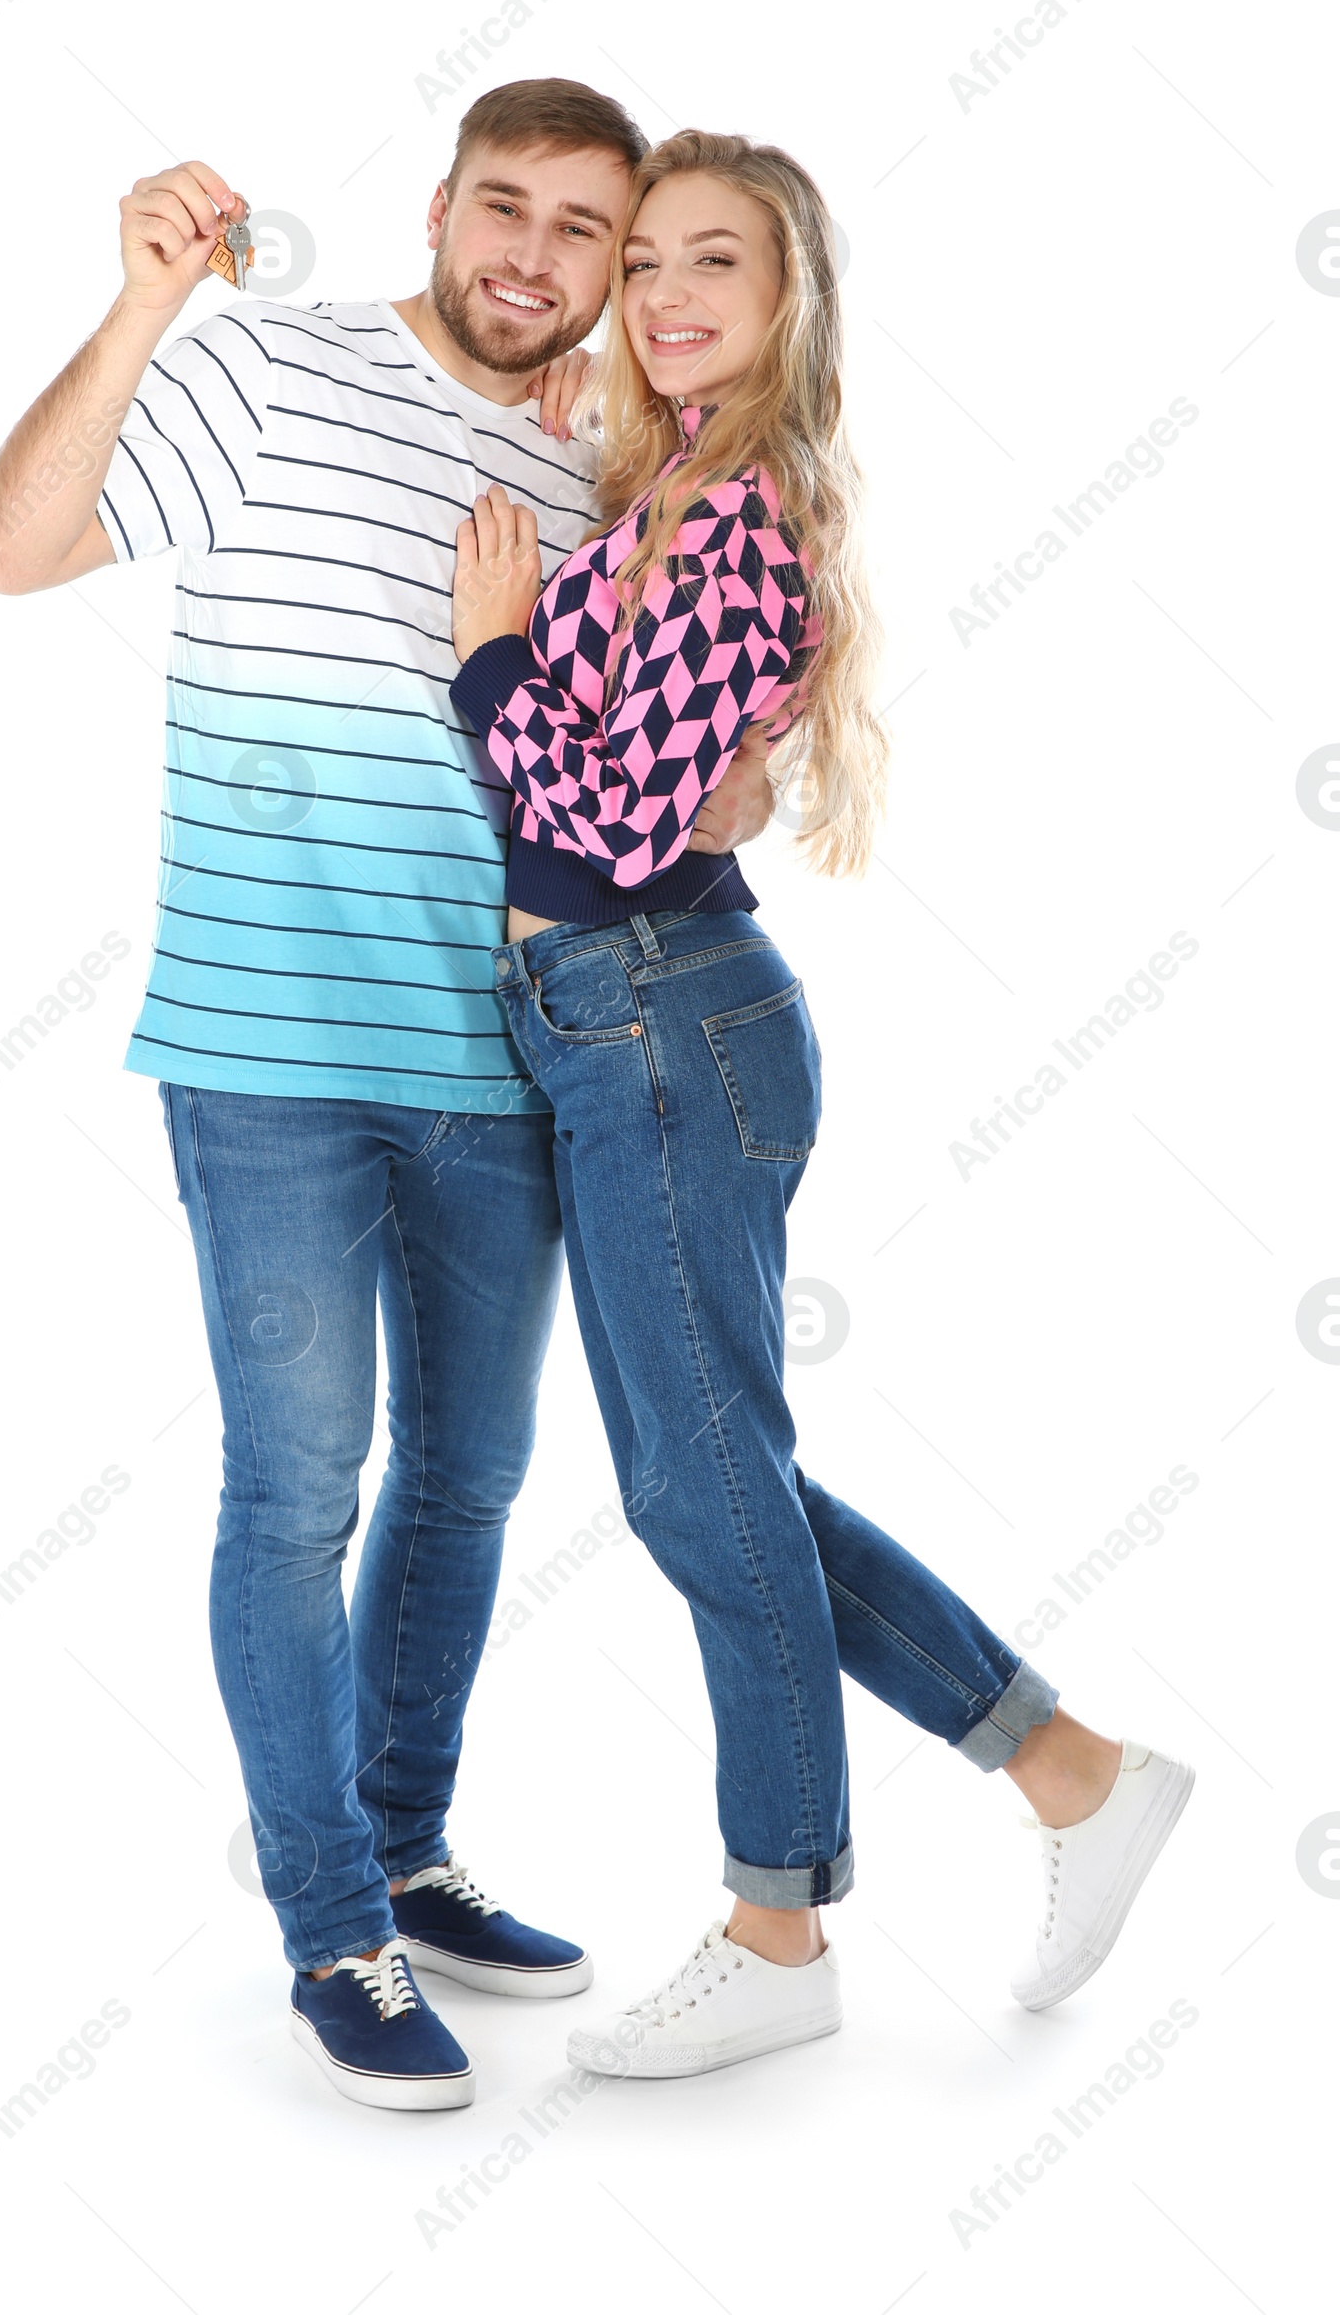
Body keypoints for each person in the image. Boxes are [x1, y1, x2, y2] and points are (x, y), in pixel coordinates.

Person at [0, 78, 783, 2113]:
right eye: (501, 206)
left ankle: (402, 1849)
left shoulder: (608, 479)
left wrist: (741, 758)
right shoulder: (268, 370)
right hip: (263, 1050)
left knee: (471, 1480)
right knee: (292, 1485)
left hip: (511, 1055)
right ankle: (327, 1921)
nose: (530, 251)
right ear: (439, 208)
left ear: (612, 271)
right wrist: (142, 301)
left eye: (581, 228)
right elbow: (3, 551)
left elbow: (644, 786)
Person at [445, 126, 1195, 2082]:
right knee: (721, 1485)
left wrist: (487, 662)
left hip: (660, 1017)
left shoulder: (731, 521)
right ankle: (1071, 1772)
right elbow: (637, 790)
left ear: (783, 310)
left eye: (720, 262)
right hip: (607, 1023)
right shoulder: (663, 491)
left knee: (706, 1491)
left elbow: (603, 828)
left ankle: (775, 1928)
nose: (670, 294)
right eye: (648, 265)